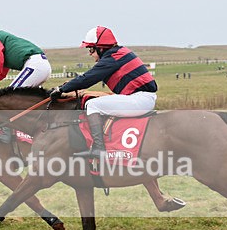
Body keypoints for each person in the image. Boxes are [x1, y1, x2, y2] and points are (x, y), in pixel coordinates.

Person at [50, 26, 157, 159]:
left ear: (101, 48)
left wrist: (61, 89)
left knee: (93, 105)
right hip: (141, 98)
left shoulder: (113, 58)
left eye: (91, 49)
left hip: (139, 100)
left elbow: (88, 78)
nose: (90, 53)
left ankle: (98, 149)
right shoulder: (117, 54)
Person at [0, 15, 52, 142]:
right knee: (25, 100)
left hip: (35, 66)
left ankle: (6, 132)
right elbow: (1, 73)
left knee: (9, 97)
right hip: (40, 66)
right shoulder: (1, 39)